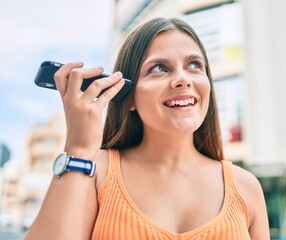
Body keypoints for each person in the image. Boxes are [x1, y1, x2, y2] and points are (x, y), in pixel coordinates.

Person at [24, 18, 269, 240]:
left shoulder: (245, 186)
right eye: (159, 68)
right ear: (126, 95)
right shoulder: (94, 169)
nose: (183, 79)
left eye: (194, 65)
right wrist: (77, 148)